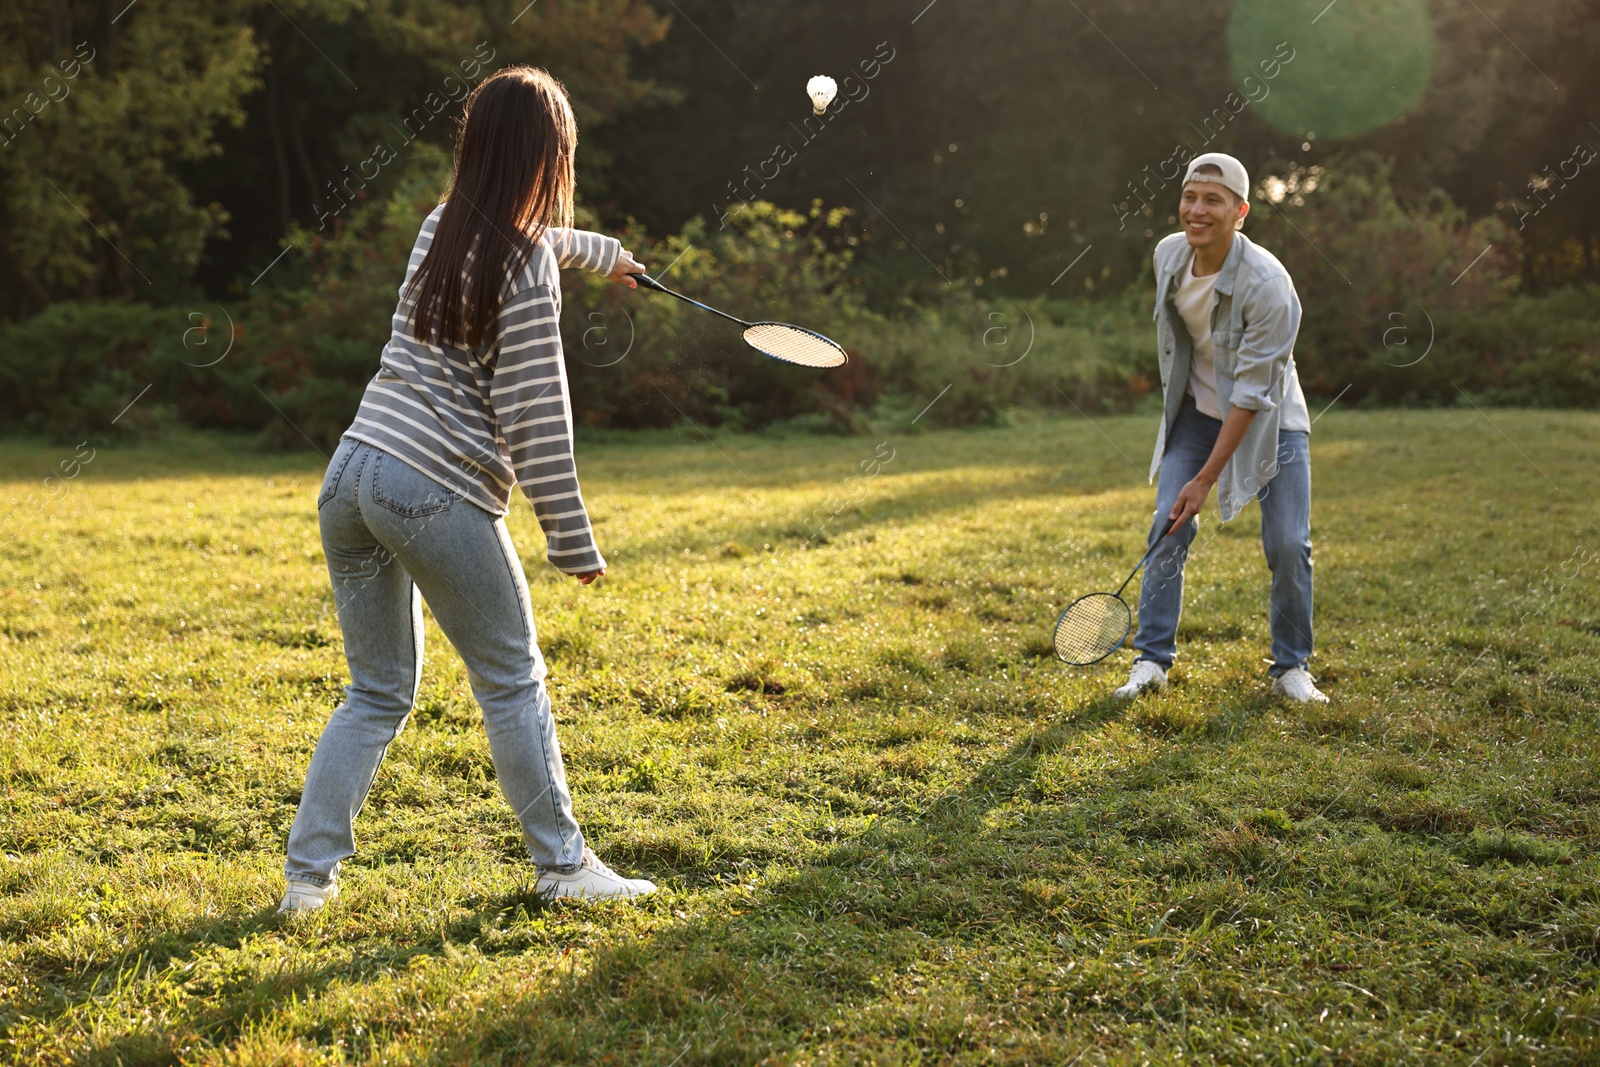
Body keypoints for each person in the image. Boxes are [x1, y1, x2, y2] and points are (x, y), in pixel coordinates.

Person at [278, 66, 656, 914]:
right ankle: (562, 867)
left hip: (350, 473)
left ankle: (307, 882)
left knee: (374, 690)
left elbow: (537, 241)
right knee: (512, 678)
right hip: (431, 488)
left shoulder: (439, 226)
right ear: (549, 154)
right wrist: (573, 541)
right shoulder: (524, 268)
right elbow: (538, 420)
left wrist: (603, 253)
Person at [1112, 152, 1328, 704]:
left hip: (1272, 422)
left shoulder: (1269, 285)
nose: (1197, 210)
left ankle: (1291, 669)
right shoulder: (1168, 256)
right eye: (1190, 196)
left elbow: (1254, 395)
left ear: (1241, 211)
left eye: (1213, 200)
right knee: (1168, 525)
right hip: (1195, 417)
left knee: (1287, 542)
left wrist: (1206, 479)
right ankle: (1151, 660)